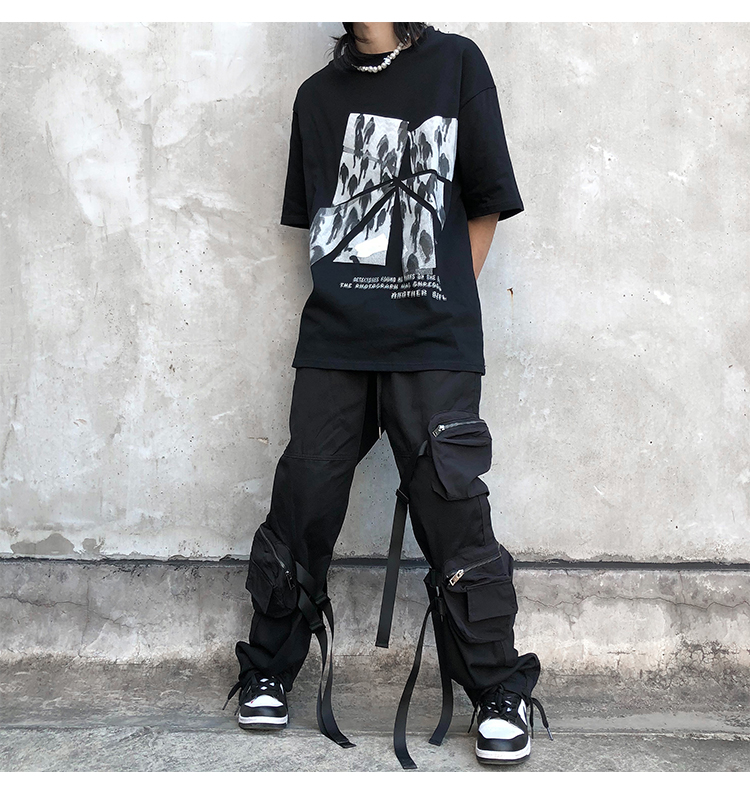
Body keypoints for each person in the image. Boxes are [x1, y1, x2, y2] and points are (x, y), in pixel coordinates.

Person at [224, 22, 551, 769]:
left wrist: (440, 300)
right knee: (304, 494)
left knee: (451, 502)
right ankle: (268, 667)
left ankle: (497, 688)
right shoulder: (315, 98)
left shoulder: (455, 63)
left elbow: (485, 201)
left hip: (432, 341)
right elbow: (323, 227)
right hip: (336, 342)